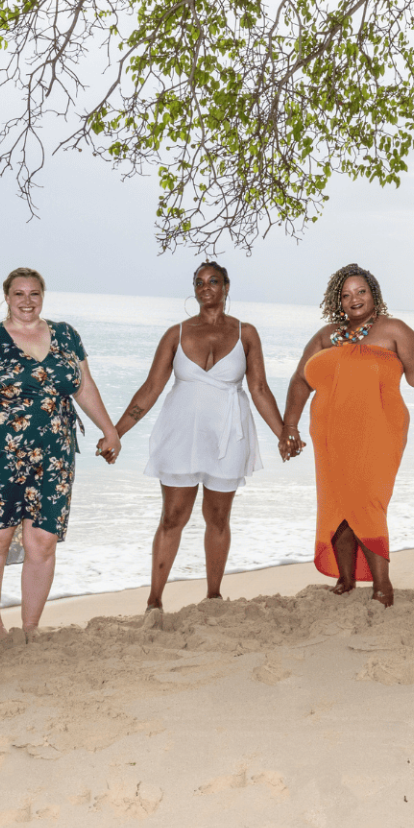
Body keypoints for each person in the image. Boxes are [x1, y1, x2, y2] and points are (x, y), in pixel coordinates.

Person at [0, 268, 122, 640]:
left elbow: (84, 387)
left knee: (44, 539)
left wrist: (109, 429)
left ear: (43, 296)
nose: (27, 301)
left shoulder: (66, 335)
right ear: (6, 297)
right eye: (19, 294)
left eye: (34, 294)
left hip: (54, 452)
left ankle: (32, 627)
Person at [280, 264, 414, 606]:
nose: (354, 299)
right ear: (337, 301)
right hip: (329, 434)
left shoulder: (393, 330)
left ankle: (382, 586)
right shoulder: (326, 336)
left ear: (374, 294)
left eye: (361, 292)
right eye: (346, 294)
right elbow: (301, 381)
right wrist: (290, 427)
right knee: (336, 503)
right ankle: (345, 579)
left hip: (378, 430)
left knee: (367, 500)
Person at [110, 261, 285, 614]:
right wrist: (115, 433)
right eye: (199, 282)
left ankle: (214, 596)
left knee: (218, 518)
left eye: (213, 281)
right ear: (194, 289)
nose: (206, 287)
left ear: (226, 286)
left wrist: (284, 434)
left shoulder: (245, 333)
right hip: (181, 435)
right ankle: (154, 601)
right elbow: (150, 389)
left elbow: (260, 389)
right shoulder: (175, 334)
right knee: (173, 516)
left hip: (228, 436)